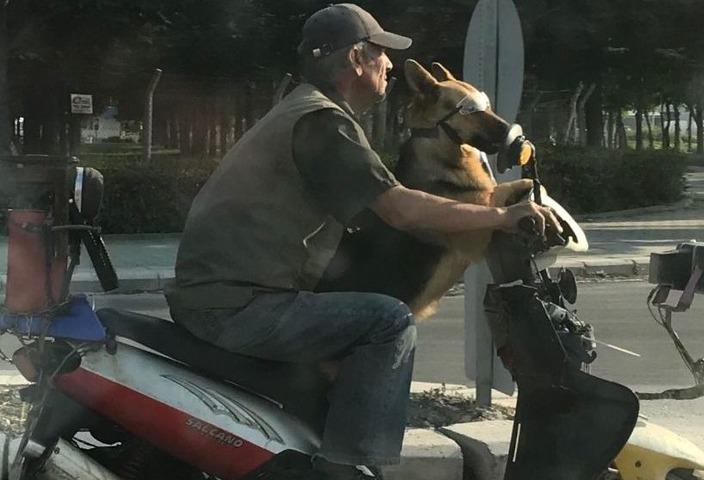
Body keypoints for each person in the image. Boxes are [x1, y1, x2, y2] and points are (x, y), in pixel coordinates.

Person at [165, 4, 560, 479]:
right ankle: (350, 467)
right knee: (387, 321)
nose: (389, 65)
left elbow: (377, 216)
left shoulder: (304, 111)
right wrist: (501, 216)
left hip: (230, 297)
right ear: (356, 59)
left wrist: (498, 208)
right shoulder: (323, 123)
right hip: (239, 307)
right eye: (380, 53)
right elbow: (401, 209)